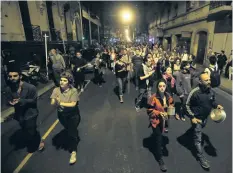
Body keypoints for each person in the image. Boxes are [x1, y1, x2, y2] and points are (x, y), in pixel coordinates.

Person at [185, 72, 224, 169]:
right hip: (197, 119)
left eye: (209, 79)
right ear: (200, 81)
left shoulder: (211, 91)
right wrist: (192, 117)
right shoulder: (194, 92)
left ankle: (192, 132)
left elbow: (212, 101)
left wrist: (216, 105)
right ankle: (200, 157)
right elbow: (186, 105)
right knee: (198, 139)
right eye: (206, 80)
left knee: (199, 130)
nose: (209, 82)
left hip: (205, 118)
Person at [5, 65, 45, 153]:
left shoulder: (31, 87)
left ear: (20, 76)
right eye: (10, 76)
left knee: (31, 129)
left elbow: (34, 101)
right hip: (19, 114)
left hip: (31, 113)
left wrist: (21, 101)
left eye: (15, 76)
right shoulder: (8, 89)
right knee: (24, 128)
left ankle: (38, 141)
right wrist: (10, 103)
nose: (12, 78)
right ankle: (32, 137)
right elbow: (8, 101)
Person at [50, 71, 80, 164]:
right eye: (61, 80)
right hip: (62, 115)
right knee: (67, 129)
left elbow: (73, 104)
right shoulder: (56, 90)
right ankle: (72, 135)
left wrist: (60, 102)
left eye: (64, 80)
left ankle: (73, 152)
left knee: (72, 132)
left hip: (73, 116)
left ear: (69, 82)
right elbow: (52, 103)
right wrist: (55, 101)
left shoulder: (73, 91)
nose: (61, 82)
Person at [147, 79, 175, 172]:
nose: (162, 88)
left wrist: (171, 112)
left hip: (165, 121)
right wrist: (159, 113)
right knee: (159, 138)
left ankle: (157, 145)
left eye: (163, 86)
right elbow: (149, 111)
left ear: (166, 86)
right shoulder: (153, 98)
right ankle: (160, 159)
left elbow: (171, 106)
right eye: (160, 86)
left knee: (160, 137)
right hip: (156, 121)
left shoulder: (168, 96)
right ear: (157, 87)